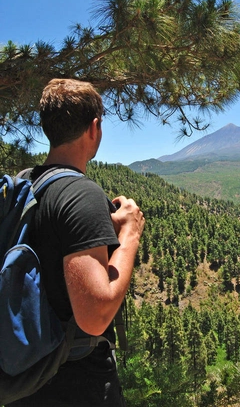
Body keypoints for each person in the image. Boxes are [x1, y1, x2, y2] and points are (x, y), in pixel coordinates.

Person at [7, 78, 145, 407]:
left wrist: (92, 231)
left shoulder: (26, 184)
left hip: (24, 375)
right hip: (77, 383)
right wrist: (130, 234)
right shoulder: (81, 194)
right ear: (94, 128)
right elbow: (94, 316)